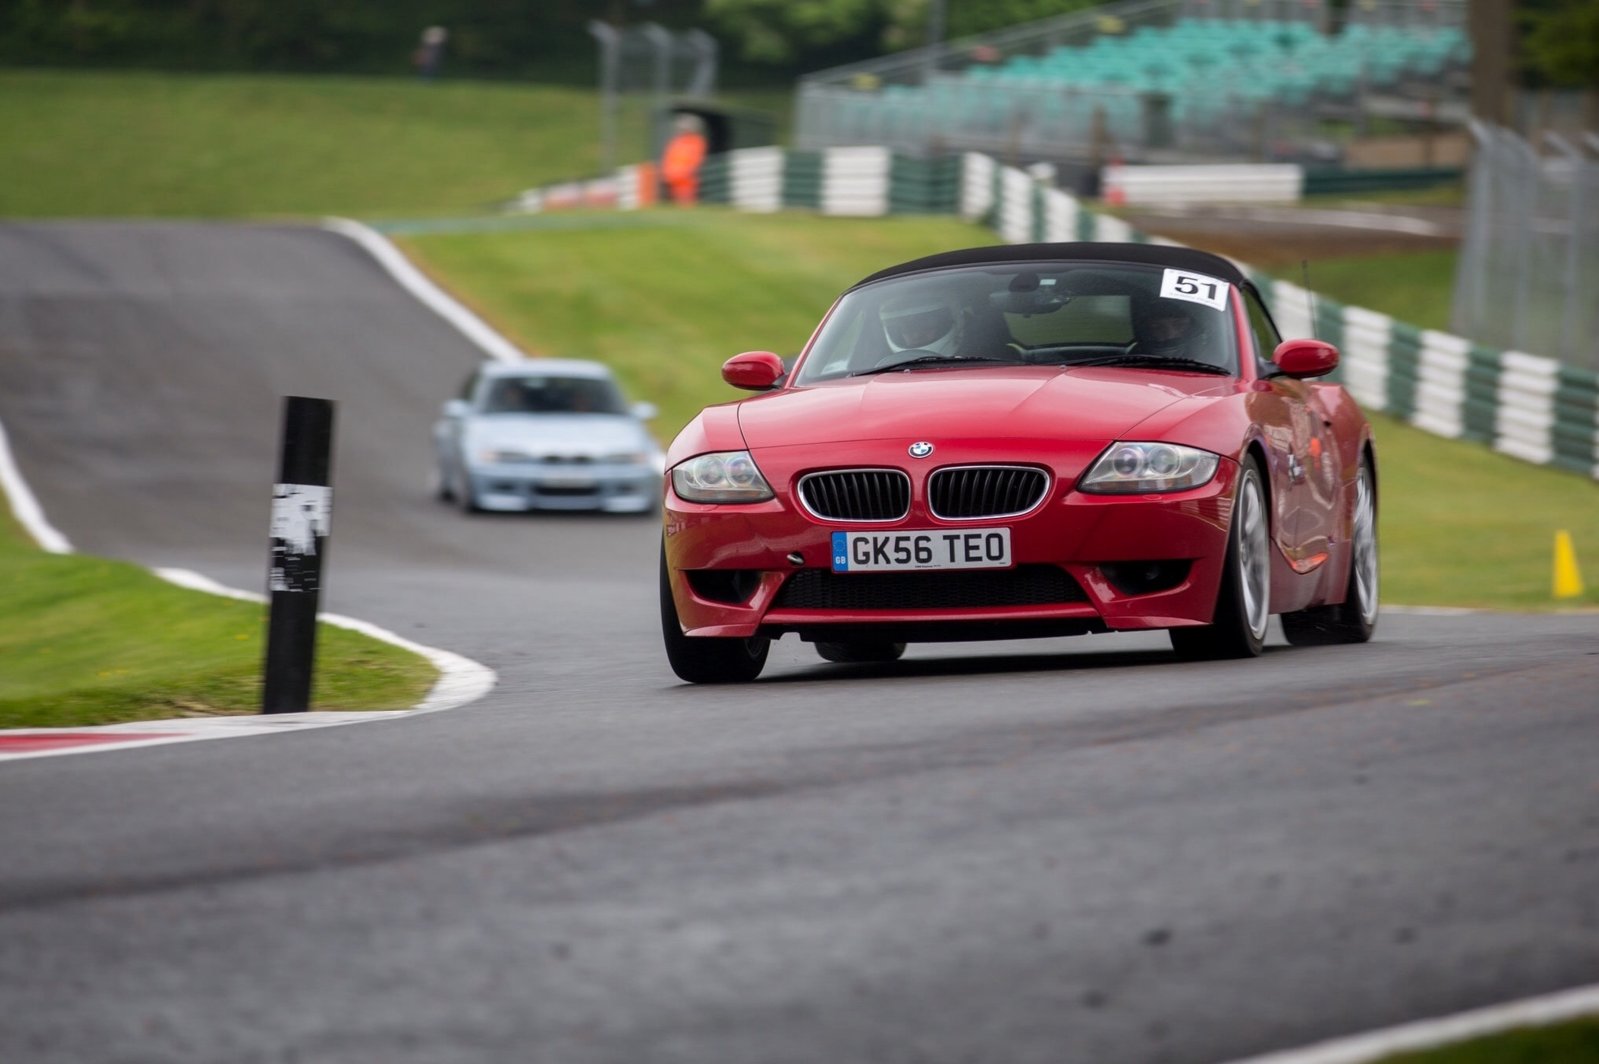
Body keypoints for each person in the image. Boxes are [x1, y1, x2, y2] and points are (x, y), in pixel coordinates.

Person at [879, 291, 965, 356]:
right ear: (897, 332)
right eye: (907, 327)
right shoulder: (880, 364)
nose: (916, 335)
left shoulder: (976, 354)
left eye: (925, 324)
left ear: (944, 323)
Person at [660, 114, 708, 205]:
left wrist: (686, 171)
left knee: (686, 200)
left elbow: (696, 159)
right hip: (673, 176)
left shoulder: (697, 141)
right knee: (675, 200)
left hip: (686, 179)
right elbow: (669, 157)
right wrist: (667, 172)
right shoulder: (676, 141)